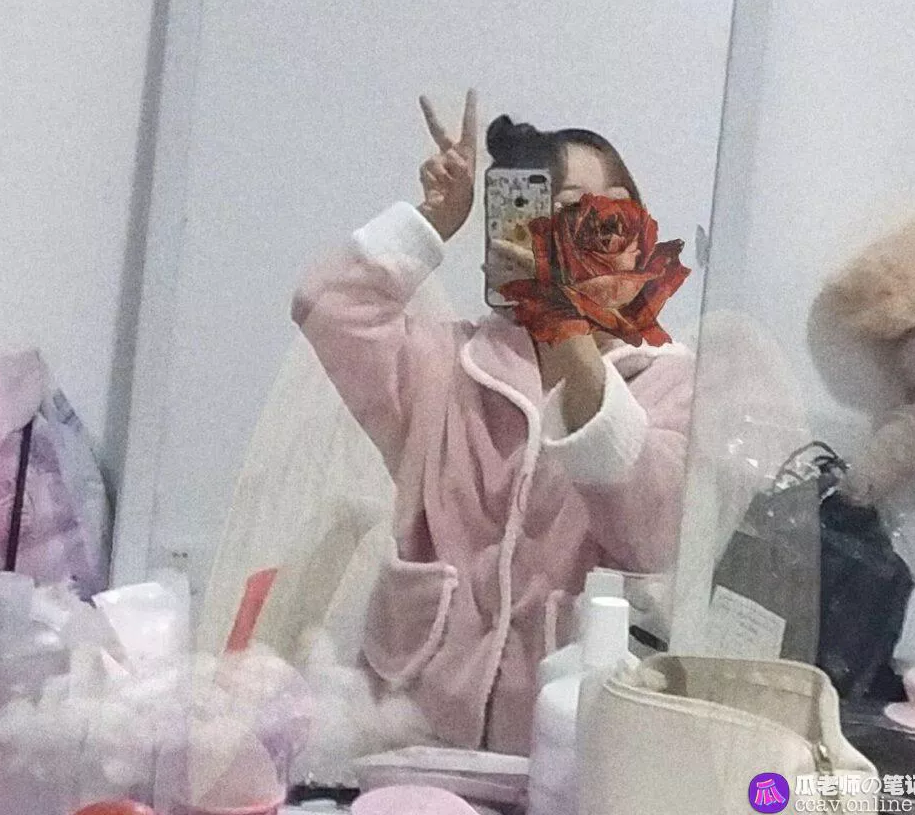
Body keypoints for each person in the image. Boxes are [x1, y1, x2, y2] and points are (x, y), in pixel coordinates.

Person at [291, 89, 694, 755]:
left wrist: (563, 325)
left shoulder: (670, 380)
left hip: (566, 745)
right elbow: (328, 306)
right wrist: (430, 222)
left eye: (616, 206)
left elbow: (647, 534)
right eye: (561, 209)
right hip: (410, 733)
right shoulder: (444, 366)